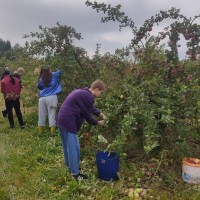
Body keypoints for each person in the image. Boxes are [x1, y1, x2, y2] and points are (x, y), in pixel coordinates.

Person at [57, 80, 107, 180]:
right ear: (97, 89)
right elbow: (88, 115)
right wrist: (98, 123)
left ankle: (69, 167)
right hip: (68, 121)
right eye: (101, 93)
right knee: (74, 148)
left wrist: (99, 113)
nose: (100, 95)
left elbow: (89, 107)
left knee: (67, 146)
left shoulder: (83, 92)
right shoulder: (88, 96)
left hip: (61, 119)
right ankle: (75, 174)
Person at [37, 67, 62, 136]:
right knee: (52, 114)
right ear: (49, 70)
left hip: (42, 98)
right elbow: (60, 70)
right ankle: (52, 134)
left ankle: (40, 132)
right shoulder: (54, 76)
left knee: (41, 115)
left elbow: (39, 87)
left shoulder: (41, 79)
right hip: (52, 97)